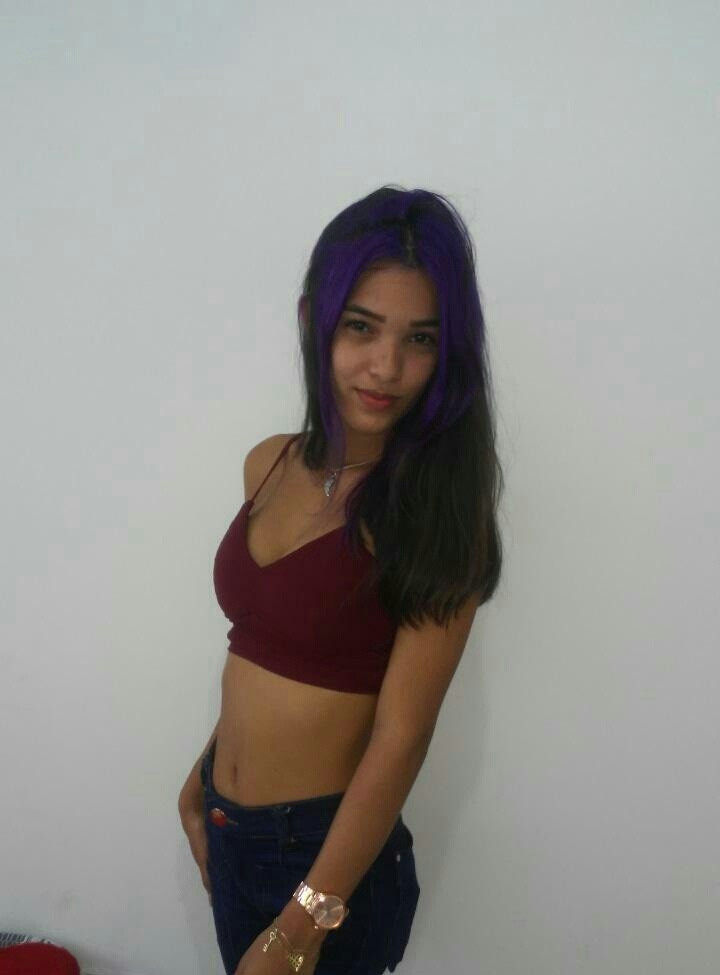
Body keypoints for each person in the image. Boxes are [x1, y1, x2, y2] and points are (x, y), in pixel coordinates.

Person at [178, 185, 504, 975]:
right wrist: (201, 778)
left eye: (420, 338)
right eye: (361, 326)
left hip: (328, 862)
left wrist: (302, 926)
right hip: (229, 829)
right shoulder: (269, 462)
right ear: (311, 320)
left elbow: (402, 737)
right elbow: (263, 647)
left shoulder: (437, 512)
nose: (386, 366)